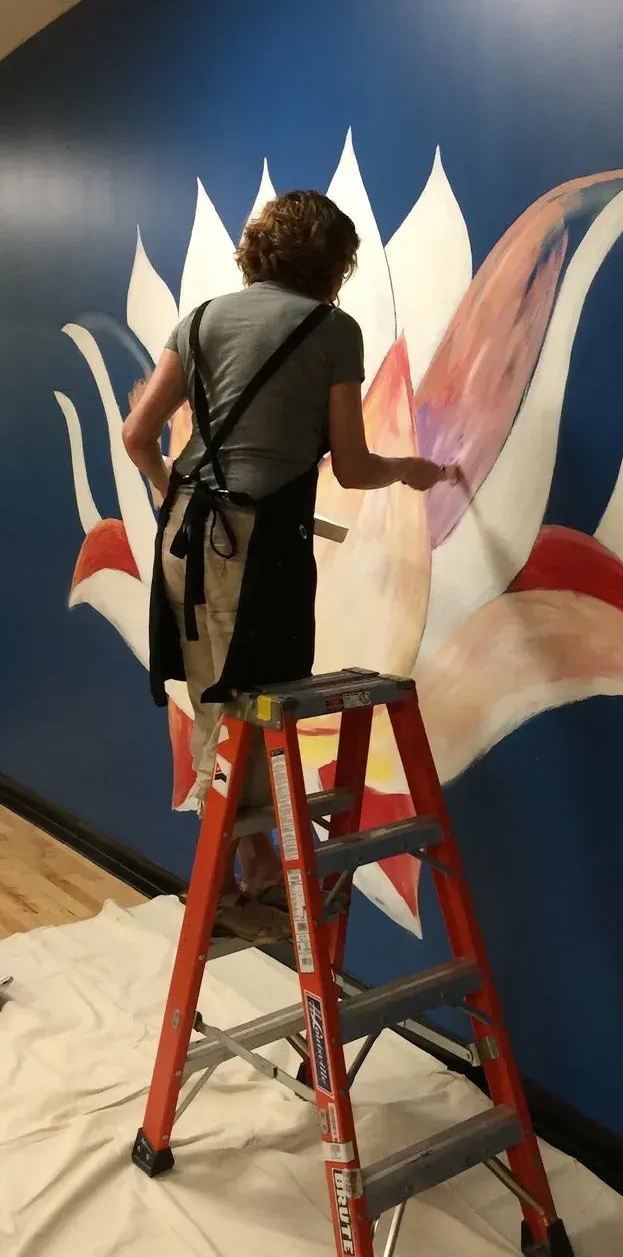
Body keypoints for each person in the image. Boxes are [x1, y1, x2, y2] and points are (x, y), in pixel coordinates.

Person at [121, 189, 457, 943]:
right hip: (253, 552)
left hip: (190, 543)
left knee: (226, 704)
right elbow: (357, 462)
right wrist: (412, 471)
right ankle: (247, 881)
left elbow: (138, 433)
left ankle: (256, 871)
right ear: (334, 265)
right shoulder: (333, 329)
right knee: (244, 705)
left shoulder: (201, 319)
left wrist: (170, 492)